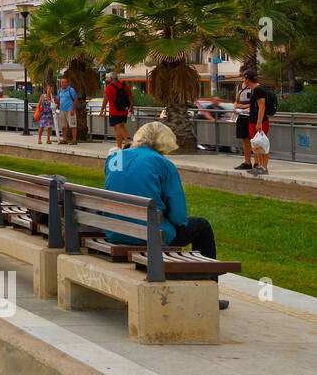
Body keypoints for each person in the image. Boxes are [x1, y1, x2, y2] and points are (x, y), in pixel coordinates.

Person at [104, 121, 228, 310]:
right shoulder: (163, 164)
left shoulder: (115, 158)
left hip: (115, 231)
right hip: (151, 235)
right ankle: (208, 294)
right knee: (202, 227)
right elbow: (179, 217)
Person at [242, 70, 277, 176]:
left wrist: (259, 122)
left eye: (244, 78)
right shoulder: (255, 89)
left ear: (248, 79)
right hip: (253, 120)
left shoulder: (258, 89)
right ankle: (259, 166)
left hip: (259, 121)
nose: (243, 80)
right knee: (256, 144)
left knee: (262, 143)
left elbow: (262, 106)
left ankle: (264, 167)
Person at [99, 71, 131, 150]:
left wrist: (102, 110)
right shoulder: (124, 85)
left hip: (114, 111)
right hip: (124, 110)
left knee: (117, 128)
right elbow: (130, 96)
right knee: (122, 126)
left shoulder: (109, 87)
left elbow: (105, 99)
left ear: (111, 78)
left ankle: (119, 146)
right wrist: (132, 107)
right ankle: (126, 141)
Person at [233, 73, 254, 171]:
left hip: (250, 115)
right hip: (241, 115)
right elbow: (236, 101)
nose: (243, 78)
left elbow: (254, 103)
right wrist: (237, 107)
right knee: (245, 139)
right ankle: (247, 161)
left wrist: (243, 106)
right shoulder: (239, 87)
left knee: (253, 139)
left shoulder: (254, 87)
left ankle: (257, 162)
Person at [55, 76, 78, 145]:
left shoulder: (71, 90)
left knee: (72, 125)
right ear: (60, 83)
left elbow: (75, 100)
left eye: (65, 82)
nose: (64, 83)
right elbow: (58, 100)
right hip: (62, 110)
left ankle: (74, 140)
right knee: (63, 126)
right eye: (62, 82)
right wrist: (56, 103)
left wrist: (73, 109)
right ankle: (64, 139)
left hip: (70, 110)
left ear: (67, 83)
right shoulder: (60, 91)